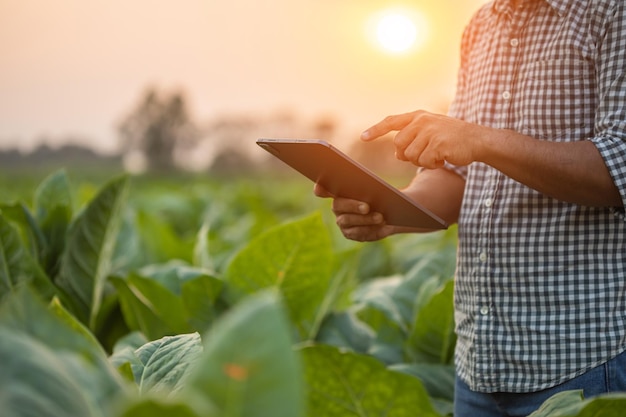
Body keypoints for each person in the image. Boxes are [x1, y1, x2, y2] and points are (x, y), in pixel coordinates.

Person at [314, 0, 626, 416]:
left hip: (583, 364)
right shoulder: (481, 25)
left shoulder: (610, 12)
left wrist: (480, 139)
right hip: (478, 369)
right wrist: (394, 209)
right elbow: (459, 173)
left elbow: (618, 168)